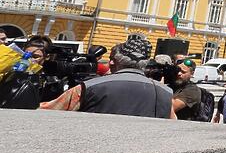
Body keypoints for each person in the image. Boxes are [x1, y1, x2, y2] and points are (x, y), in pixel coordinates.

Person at [39, 41, 174, 118]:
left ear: (114, 61)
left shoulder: (90, 86)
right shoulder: (165, 92)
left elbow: (49, 112)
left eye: (111, 59)